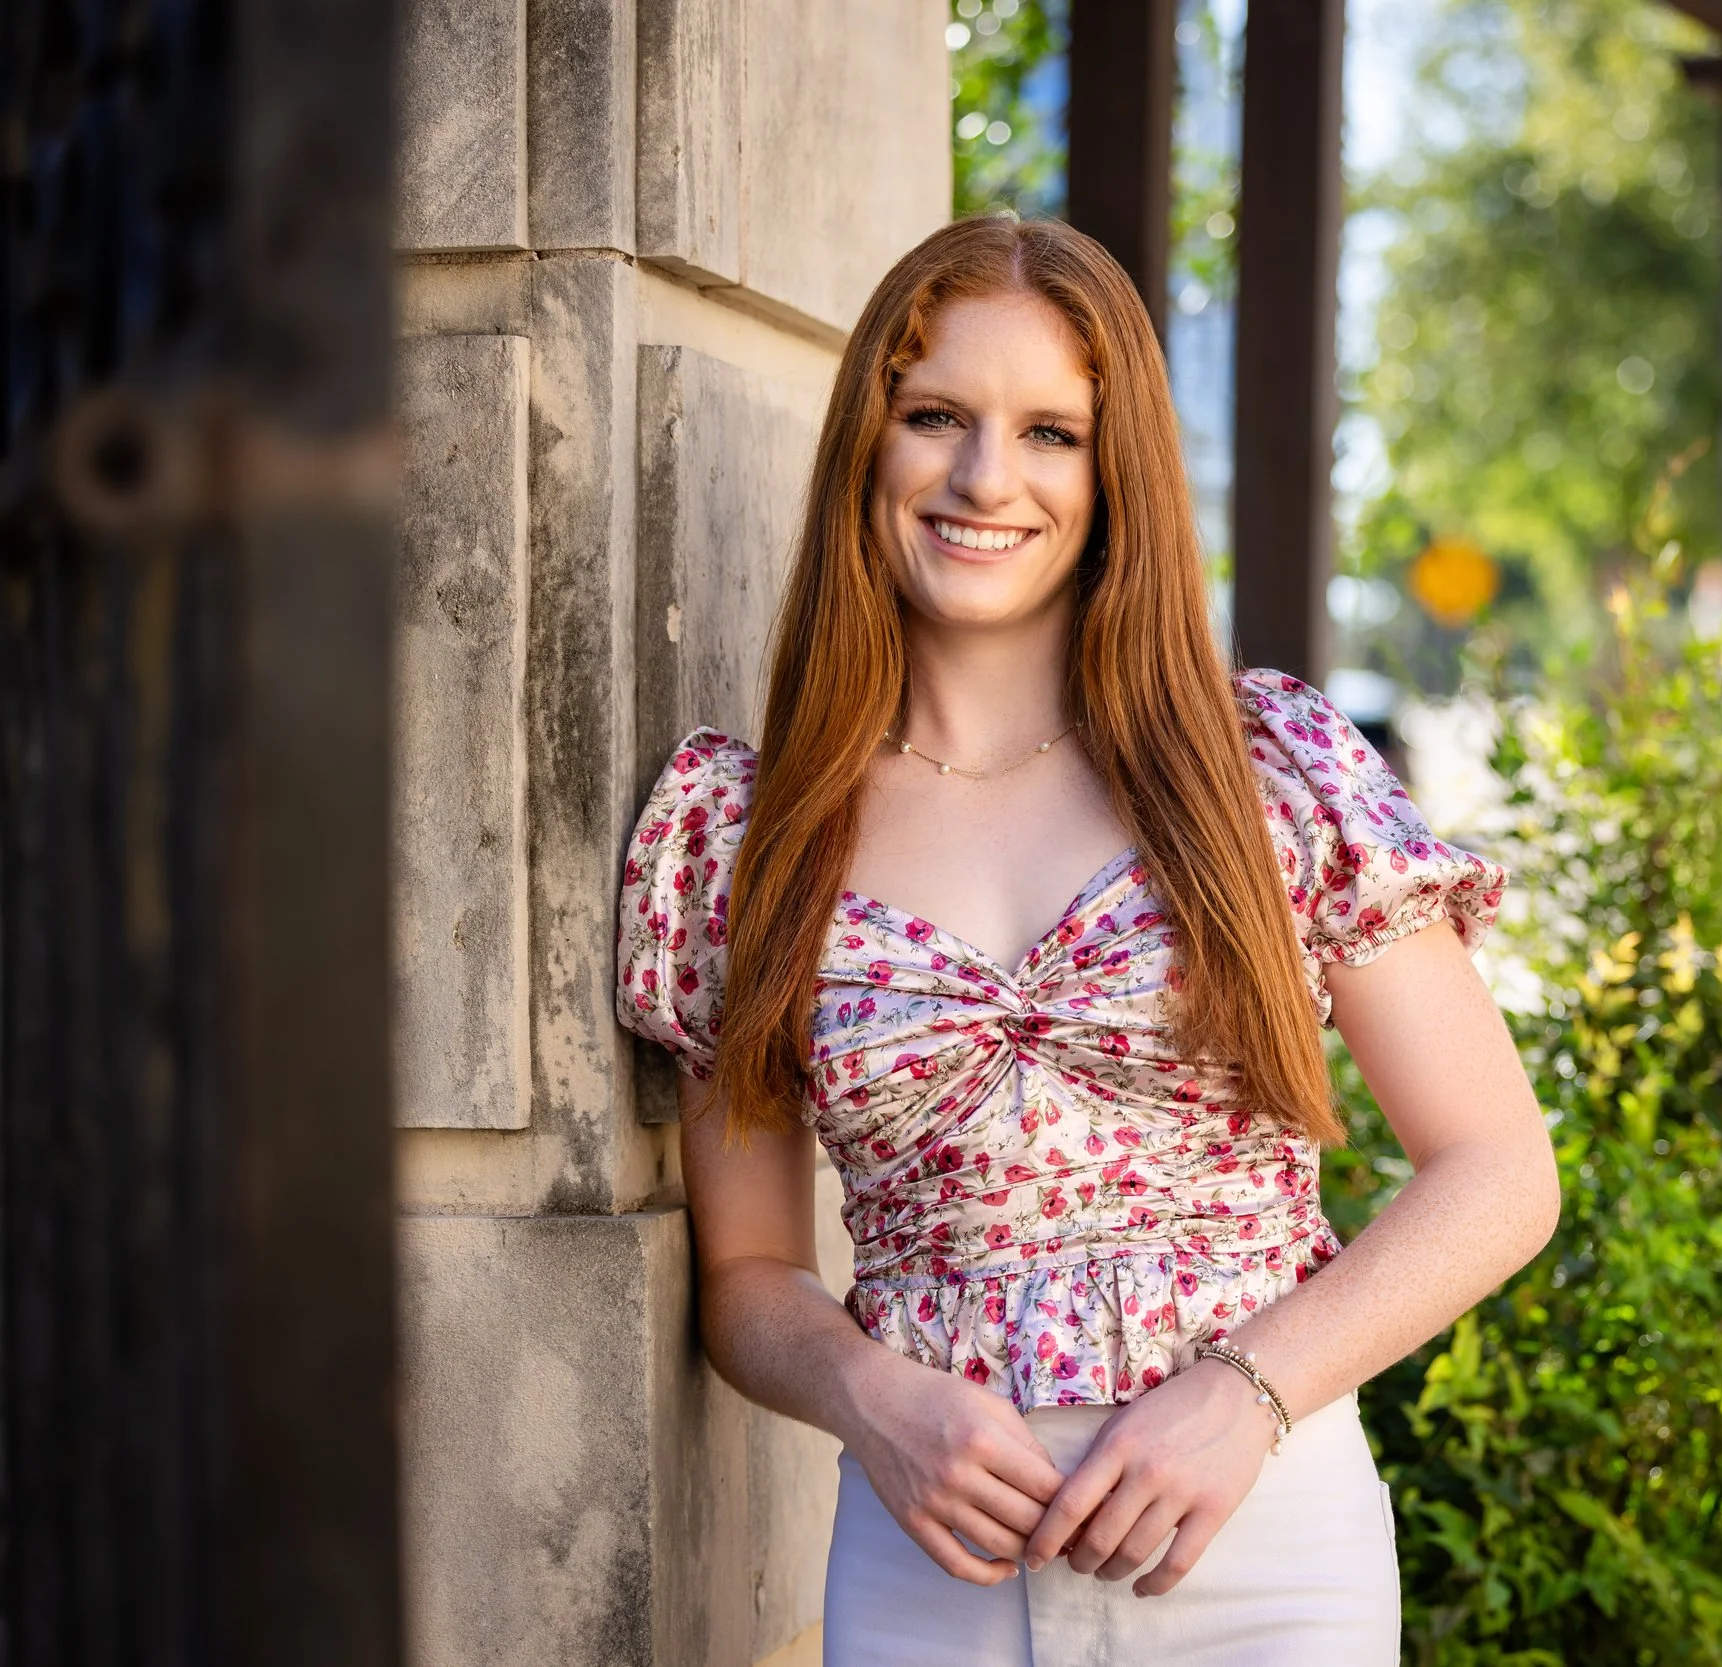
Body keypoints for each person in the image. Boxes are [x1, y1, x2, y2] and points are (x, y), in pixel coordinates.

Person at [616, 215, 1557, 1666]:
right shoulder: (748, 833)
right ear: (870, 441)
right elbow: (747, 1279)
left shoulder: (1263, 772)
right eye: (936, 416)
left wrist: (1246, 1391)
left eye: (1050, 431)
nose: (987, 478)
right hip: (933, 1563)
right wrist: (870, 1393)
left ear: (1115, 474)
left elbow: (1498, 1172)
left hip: (1258, 1551)